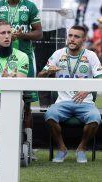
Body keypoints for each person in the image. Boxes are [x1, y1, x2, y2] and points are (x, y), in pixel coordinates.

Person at [0, 0, 43, 157]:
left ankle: (27, 146)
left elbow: (39, 33)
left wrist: (21, 35)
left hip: (23, 59)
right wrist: (1, 35)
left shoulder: (29, 6)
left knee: (27, 106)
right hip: (0, 58)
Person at [38, 25, 102, 163]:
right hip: (62, 101)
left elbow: (100, 78)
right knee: (49, 115)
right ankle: (62, 149)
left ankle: (82, 148)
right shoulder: (58, 54)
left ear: (84, 40)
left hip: (85, 103)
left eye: (76, 37)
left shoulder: (91, 56)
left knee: (95, 118)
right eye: (70, 36)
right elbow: (40, 74)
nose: (72, 39)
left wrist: (87, 90)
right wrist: (48, 72)